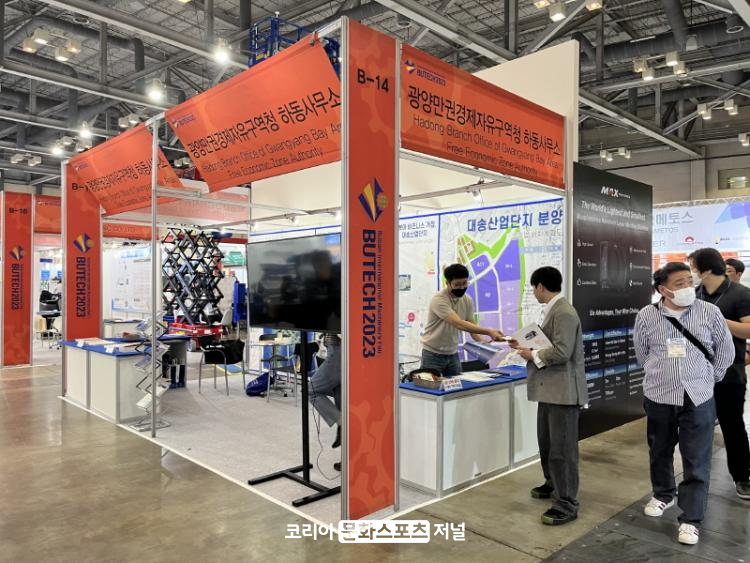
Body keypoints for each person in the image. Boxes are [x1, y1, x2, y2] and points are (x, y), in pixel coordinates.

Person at [634, 262, 733, 546]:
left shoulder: (709, 312)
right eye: (680, 284)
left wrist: (709, 378)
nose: (688, 287)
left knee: (696, 458)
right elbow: (642, 353)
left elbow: (725, 350)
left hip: (698, 397)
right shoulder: (647, 315)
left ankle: (691, 519)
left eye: (690, 280)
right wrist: (659, 372)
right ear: (662, 289)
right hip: (659, 395)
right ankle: (663, 494)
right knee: (659, 450)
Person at [510, 266, 587, 526]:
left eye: (533, 288)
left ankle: (567, 502)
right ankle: (552, 482)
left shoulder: (564, 312)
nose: (533, 292)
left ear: (541, 286)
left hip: (563, 393)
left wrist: (531, 354)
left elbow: (562, 352)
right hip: (550, 390)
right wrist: (526, 346)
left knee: (562, 450)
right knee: (547, 442)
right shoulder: (553, 310)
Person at [690, 248, 750, 499]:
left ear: (705, 270)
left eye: (693, 268)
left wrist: (718, 319)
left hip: (729, 373)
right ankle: (694, 479)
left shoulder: (740, 294)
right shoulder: (695, 294)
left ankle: (742, 476)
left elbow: (748, 329)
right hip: (696, 374)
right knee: (695, 427)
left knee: (732, 426)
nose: (692, 273)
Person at [420, 263, 504, 376]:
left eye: (464, 283)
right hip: (432, 354)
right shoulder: (439, 300)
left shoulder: (467, 300)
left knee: (457, 385)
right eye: (457, 284)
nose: (461, 287)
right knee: (430, 385)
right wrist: (489, 331)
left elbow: (472, 327)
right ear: (448, 283)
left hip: (452, 354)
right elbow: (459, 324)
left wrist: (484, 344)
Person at [308, 333, 342, 471]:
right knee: (343, 402)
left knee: (312, 390)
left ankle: (342, 422)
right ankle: (348, 459)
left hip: (338, 352)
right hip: (340, 350)